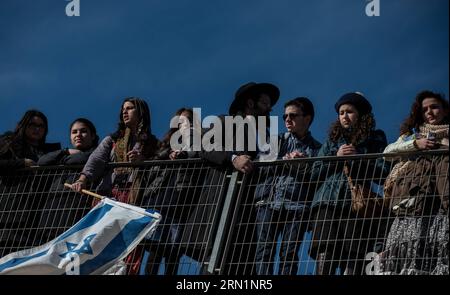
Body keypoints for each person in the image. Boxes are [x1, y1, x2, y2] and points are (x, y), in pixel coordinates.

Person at [187, 82, 280, 274]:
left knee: (241, 267)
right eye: (265, 103)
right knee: (213, 265)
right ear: (250, 103)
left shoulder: (267, 136)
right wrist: (233, 158)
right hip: (221, 207)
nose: (270, 108)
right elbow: (203, 146)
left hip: (247, 212)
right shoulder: (224, 122)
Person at [71, 97, 160, 274]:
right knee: (98, 243)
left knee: (129, 247)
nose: (124, 112)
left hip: (135, 201)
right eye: (123, 109)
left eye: (130, 108)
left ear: (141, 112)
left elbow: (158, 169)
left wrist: (142, 162)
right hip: (109, 197)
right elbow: (95, 161)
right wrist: (82, 179)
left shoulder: (153, 144)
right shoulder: (112, 139)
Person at [308, 92, 388, 275]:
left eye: (349, 111)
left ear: (360, 114)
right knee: (325, 249)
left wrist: (357, 159)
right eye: (341, 112)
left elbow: (384, 171)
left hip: (355, 205)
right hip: (326, 202)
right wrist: (336, 158)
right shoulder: (332, 140)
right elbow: (314, 172)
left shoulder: (374, 138)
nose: (344, 115)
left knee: (354, 254)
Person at [381, 90, 449, 275]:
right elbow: (387, 153)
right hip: (413, 205)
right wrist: (415, 145)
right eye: (425, 109)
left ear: (444, 110)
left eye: (434, 107)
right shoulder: (413, 136)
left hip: (442, 209)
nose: (429, 112)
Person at [254, 97, 321, 275]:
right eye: (285, 116)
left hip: (297, 207)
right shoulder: (275, 140)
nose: (287, 120)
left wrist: (304, 166)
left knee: (289, 254)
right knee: (264, 251)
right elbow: (257, 167)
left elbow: (317, 179)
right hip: (268, 202)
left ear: (307, 118)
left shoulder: (317, 149)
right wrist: (281, 161)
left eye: (293, 115)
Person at [142, 108, 204, 275]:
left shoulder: (198, 140)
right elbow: (153, 166)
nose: (183, 122)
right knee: (155, 247)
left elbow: (195, 154)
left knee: (173, 249)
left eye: (188, 120)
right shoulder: (166, 143)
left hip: (180, 199)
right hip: (159, 197)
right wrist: (168, 154)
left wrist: (184, 150)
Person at [0, 110, 60, 255]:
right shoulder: (9, 141)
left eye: (41, 126)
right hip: (9, 209)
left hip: (37, 213)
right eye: (33, 124)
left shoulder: (49, 150)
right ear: (24, 125)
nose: (37, 129)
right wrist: (22, 163)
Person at [36, 118, 99, 243]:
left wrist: (64, 159)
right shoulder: (66, 154)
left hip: (75, 209)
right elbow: (42, 161)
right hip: (52, 209)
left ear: (92, 136)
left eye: (83, 131)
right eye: (74, 132)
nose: (78, 135)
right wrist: (65, 151)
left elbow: (82, 158)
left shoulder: (97, 153)